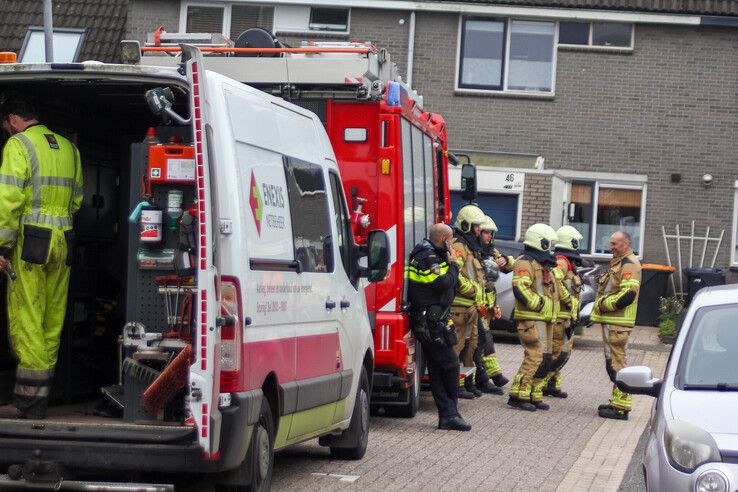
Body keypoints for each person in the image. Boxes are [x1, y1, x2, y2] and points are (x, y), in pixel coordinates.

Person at [0, 94, 83, 419]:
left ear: (12, 120)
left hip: (31, 244)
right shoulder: (68, 148)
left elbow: (8, 199)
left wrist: (3, 247)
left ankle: (27, 404)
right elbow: (77, 200)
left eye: (6, 126)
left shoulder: (19, 145)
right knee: (52, 318)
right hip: (63, 243)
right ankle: (42, 398)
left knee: (28, 317)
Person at [406, 223, 471, 431]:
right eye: (450, 239)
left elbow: (452, 283)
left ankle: (448, 415)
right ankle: (450, 412)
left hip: (436, 319)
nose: (452, 243)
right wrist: (453, 264)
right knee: (451, 364)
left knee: (436, 367)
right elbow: (443, 284)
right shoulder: (428, 258)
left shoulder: (435, 254)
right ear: (444, 240)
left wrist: (450, 263)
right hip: (429, 321)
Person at [508, 224, 560, 412]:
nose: (551, 249)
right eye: (549, 244)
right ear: (541, 241)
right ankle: (518, 395)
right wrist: (539, 304)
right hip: (531, 317)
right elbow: (520, 288)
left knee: (545, 358)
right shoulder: (526, 262)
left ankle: (532, 394)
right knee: (534, 355)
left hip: (544, 318)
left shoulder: (541, 263)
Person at [591, 231, 641, 421]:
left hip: (618, 323)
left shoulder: (629, 264)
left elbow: (629, 294)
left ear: (626, 244)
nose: (611, 247)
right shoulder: (621, 262)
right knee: (612, 362)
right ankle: (617, 402)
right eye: (611, 243)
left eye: (615, 244)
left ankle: (621, 408)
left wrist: (605, 305)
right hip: (614, 322)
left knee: (617, 364)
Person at [542, 226, 584, 399]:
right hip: (560, 316)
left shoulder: (568, 261)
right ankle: (542, 382)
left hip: (566, 317)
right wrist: (567, 299)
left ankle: (552, 383)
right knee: (558, 352)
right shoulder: (561, 261)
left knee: (563, 352)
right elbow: (555, 280)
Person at [450, 204, 486, 399]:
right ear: (466, 226)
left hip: (470, 307)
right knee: (457, 346)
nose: (479, 230)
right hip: (459, 307)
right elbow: (455, 274)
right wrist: (472, 290)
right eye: (476, 226)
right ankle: (456, 385)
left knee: (471, 346)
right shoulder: (458, 247)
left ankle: (466, 383)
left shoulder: (469, 247)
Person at [473, 215, 513, 394]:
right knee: (483, 341)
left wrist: (505, 259)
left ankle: (486, 377)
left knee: (482, 342)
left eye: (491, 233)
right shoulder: (473, 250)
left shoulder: (491, 251)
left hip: (488, 306)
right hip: (475, 305)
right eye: (486, 232)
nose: (489, 236)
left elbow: (510, 265)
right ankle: (490, 377)